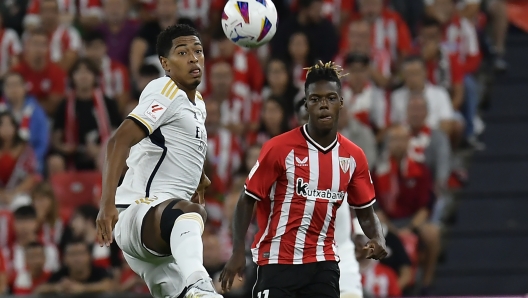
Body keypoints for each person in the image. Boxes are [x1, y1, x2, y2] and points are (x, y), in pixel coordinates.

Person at [219, 60, 388, 298]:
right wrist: (238, 251)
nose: (323, 106)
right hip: (278, 261)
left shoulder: (353, 156)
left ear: (341, 103)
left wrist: (377, 237)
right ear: (306, 105)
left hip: (324, 263)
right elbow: (247, 200)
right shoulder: (278, 148)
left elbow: (365, 211)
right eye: (315, 99)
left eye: (330, 98)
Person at [95, 24, 222, 298]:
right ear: (165, 63)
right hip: (137, 213)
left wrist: (198, 177)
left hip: (160, 243)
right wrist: (105, 204)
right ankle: (199, 279)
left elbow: (167, 145)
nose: (193, 58)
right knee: (190, 213)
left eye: (198, 51)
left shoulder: (197, 103)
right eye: (182, 52)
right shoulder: (166, 89)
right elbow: (118, 141)